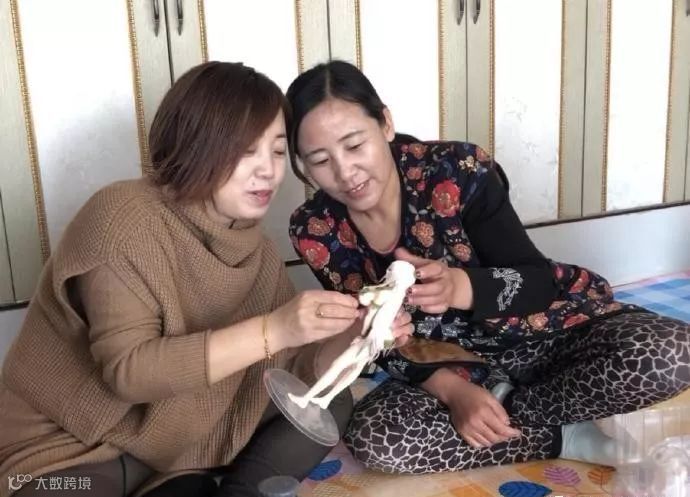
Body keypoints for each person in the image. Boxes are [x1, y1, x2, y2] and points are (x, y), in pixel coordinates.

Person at [0, 61, 412, 497]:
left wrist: (355, 340)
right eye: (245, 151)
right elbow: (128, 372)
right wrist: (276, 328)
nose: (268, 171)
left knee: (325, 400)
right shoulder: (121, 219)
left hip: (180, 445)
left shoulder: (254, 245)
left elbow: (292, 367)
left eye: (277, 152)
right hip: (72, 449)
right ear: (194, 145)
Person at [285, 60, 690, 474]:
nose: (345, 172)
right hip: (449, 363)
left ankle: (519, 413)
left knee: (673, 353)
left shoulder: (455, 170)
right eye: (320, 160)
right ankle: (563, 435)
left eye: (355, 145)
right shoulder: (316, 229)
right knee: (376, 438)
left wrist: (459, 287)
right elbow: (374, 339)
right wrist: (454, 392)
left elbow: (537, 281)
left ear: (385, 124)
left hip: (544, 336)